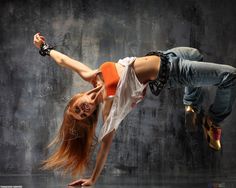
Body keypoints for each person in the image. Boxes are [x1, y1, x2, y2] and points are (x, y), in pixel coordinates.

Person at [33, 33, 236, 186]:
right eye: (84, 114)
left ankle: (191, 102)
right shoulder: (109, 108)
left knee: (196, 54)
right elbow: (104, 145)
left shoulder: (92, 76)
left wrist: (44, 48)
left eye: (77, 109)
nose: (84, 110)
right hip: (172, 72)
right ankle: (213, 121)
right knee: (230, 76)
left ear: (75, 98)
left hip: (167, 56)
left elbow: (65, 61)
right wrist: (93, 179)